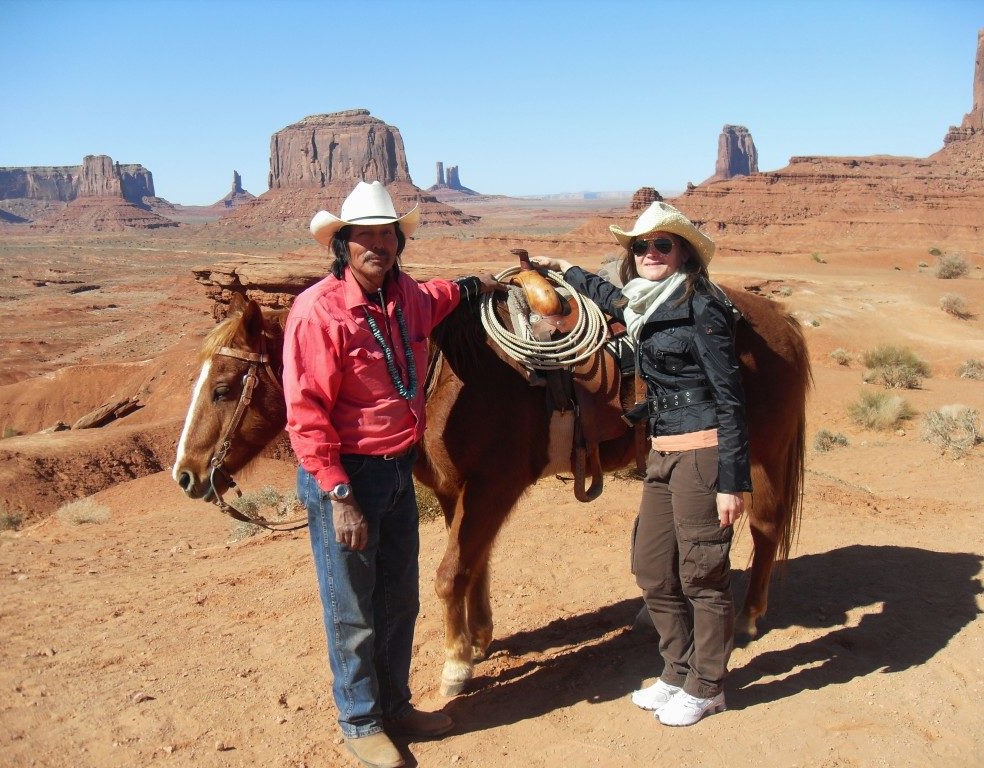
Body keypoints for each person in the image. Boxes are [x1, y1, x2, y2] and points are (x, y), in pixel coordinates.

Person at [282, 180, 501, 768]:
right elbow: (305, 414)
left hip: (398, 470)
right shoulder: (318, 312)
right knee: (351, 607)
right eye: (365, 236)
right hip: (346, 478)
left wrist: (481, 284)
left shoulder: (406, 297)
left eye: (387, 234)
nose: (377, 244)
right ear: (343, 244)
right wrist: (338, 493)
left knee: (399, 599)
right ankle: (360, 722)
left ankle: (396, 706)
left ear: (399, 242)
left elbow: (443, 295)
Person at [532, 201, 750, 727]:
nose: (649, 253)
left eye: (661, 245)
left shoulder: (703, 307)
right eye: (640, 246)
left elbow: (730, 398)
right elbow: (611, 295)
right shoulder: (643, 303)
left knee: (702, 574)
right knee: (652, 568)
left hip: (701, 451)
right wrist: (565, 270)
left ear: (684, 253)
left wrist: (732, 481)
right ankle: (677, 670)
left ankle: (708, 684)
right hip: (661, 452)